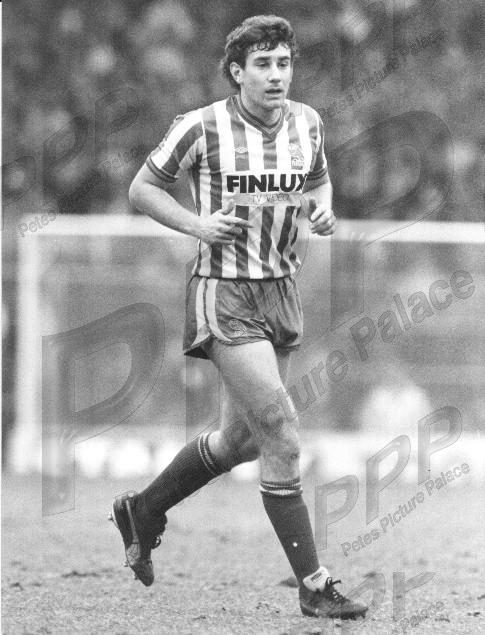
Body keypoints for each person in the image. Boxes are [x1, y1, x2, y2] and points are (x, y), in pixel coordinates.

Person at [109, 15, 367, 621]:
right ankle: (314, 584)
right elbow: (141, 189)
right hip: (224, 293)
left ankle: (143, 509)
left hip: (281, 291)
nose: (277, 75)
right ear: (236, 72)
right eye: (263, 64)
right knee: (281, 430)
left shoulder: (308, 123)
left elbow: (319, 184)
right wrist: (198, 225)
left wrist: (323, 212)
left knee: (240, 443)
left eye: (284, 63)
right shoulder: (201, 126)